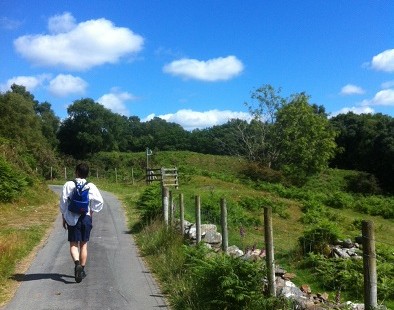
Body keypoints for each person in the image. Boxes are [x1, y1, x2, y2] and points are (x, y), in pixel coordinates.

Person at [59, 163, 104, 283]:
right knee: (84, 244)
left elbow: (63, 202)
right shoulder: (91, 186)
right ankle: (82, 269)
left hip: (72, 218)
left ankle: (77, 264)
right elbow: (99, 202)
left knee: (73, 243)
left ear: (76, 172)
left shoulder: (69, 184)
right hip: (85, 217)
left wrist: (63, 216)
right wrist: (92, 211)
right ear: (87, 173)